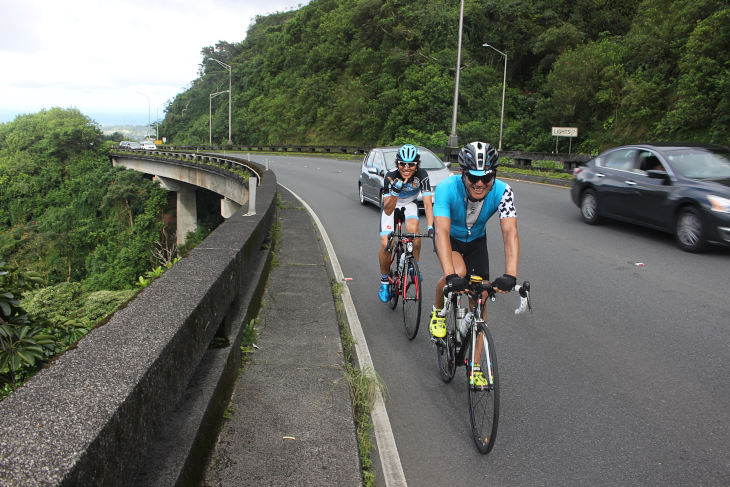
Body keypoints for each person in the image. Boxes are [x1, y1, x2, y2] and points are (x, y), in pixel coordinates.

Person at [429, 141, 519, 385]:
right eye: (473, 177)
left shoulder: (503, 191)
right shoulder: (447, 188)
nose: (480, 183)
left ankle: (475, 367)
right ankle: (438, 311)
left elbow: (510, 233)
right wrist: (451, 277)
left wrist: (510, 273)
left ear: (494, 175)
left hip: (477, 242)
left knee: (479, 300)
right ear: (463, 174)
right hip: (450, 240)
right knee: (458, 273)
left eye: (486, 177)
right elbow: (441, 232)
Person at [378, 144, 435, 302]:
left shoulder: (422, 175)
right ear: (397, 163)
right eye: (403, 163)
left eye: (411, 164)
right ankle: (384, 281)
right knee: (386, 244)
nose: (406, 168)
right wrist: (395, 191)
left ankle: (413, 266)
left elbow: (428, 204)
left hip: (410, 205)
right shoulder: (390, 176)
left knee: (413, 231)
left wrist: (431, 226)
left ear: (417, 164)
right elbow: (388, 210)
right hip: (392, 204)